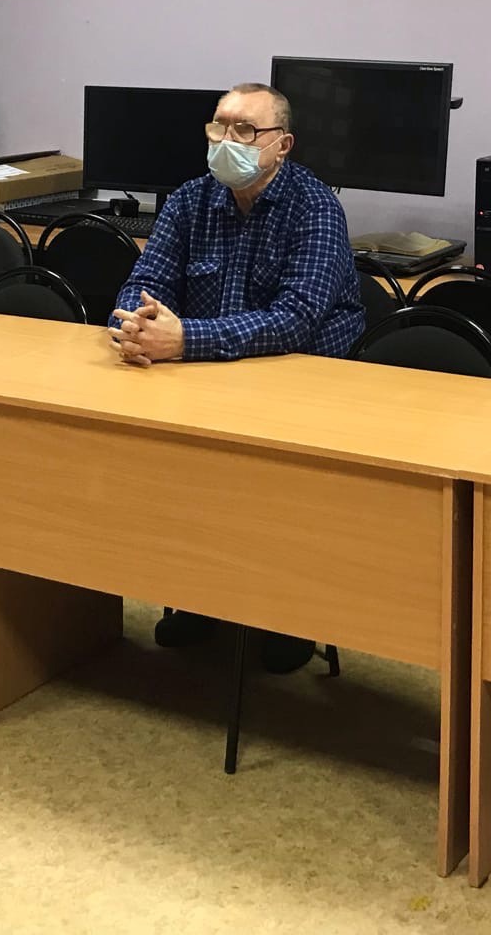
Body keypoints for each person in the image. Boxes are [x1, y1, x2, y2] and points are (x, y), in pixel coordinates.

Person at [110, 80, 364, 672]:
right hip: (209, 377)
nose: (227, 140)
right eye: (219, 126)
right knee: (187, 477)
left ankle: (292, 616)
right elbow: (143, 281)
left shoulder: (315, 207)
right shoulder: (190, 200)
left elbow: (296, 318)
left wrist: (185, 340)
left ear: (282, 145)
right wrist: (135, 323)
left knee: (280, 492)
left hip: (302, 386)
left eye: (245, 130)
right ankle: (203, 600)